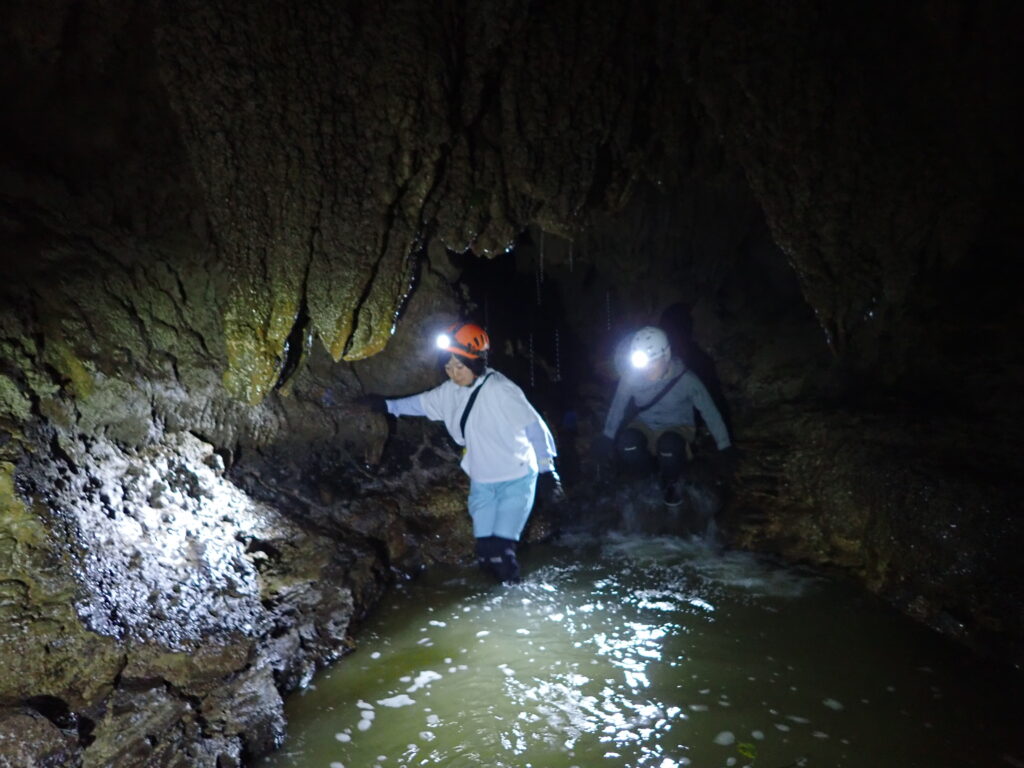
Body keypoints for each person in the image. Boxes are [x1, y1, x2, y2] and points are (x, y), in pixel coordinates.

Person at [362, 322, 564, 583]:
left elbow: (535, 428)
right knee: (484, 554)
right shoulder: (450, 391)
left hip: (516, 480)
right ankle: (498, 605)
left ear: (477, 363)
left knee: (501, 552)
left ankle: (517, 603)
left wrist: (549, 472)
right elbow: (419, 404)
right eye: (448, 366)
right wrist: (384, 405)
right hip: (482, 483)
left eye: (460, 367)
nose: (453, 373)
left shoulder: (500, 390)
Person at [592, 326, 736, 505]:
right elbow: (618, 406)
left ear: (666, 356)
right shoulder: (631, 377)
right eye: (645, 363)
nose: (647, 369)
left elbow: (710, 412)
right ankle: (649, 478)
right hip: (645, 424)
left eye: (654, 361)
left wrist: (725, 446)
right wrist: (608, 436)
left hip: (677, 426)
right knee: (627, 443)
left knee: (669, 444)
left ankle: (671, 482)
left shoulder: (687, 380)